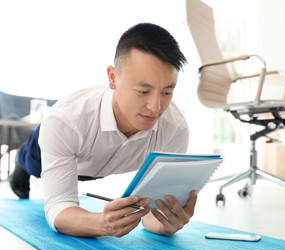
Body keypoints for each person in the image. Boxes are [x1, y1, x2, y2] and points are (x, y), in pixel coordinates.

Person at [10, 22, 197, 238]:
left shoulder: (175, 130)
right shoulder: (65, 121)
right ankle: (20, 161)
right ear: (112, 78)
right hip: (51, 150)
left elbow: (152, 215)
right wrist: (100, 224)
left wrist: (167, 223)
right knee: (31, 162)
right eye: (143, 91)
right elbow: (58, 209)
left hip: (95, 167)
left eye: (166, 93)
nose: (155, 107)